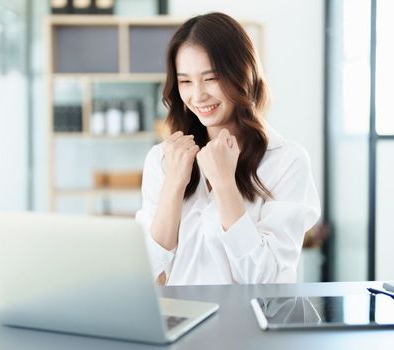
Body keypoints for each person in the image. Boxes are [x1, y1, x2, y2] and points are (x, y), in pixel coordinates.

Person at [135, 12, 320, 286]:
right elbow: (149, 277)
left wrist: (224, 185)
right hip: (177, 323)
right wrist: (174, 183)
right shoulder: (163, 159)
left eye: (211, 78)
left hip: (251, 325)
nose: (198, 96)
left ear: (242, 73)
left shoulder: (286, 161)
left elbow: (265, 280)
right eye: (185, 81)